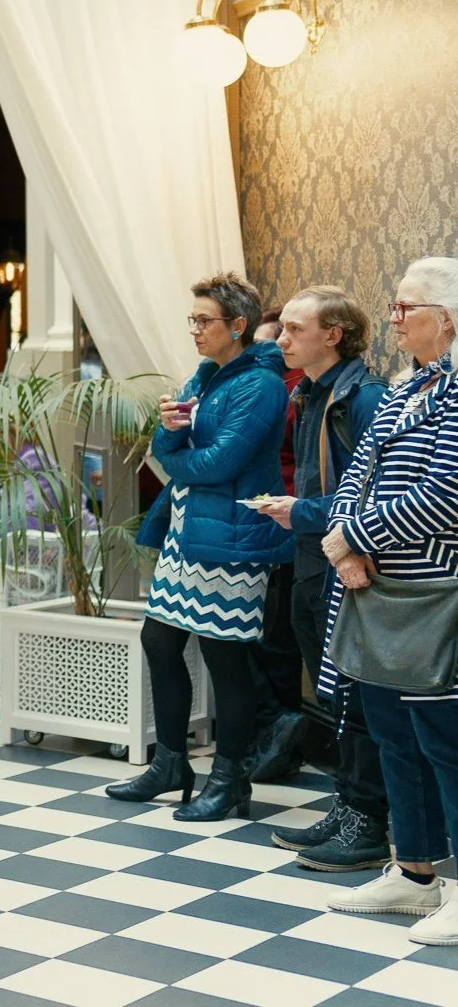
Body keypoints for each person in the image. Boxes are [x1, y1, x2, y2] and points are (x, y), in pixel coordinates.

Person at [107, 272, 293, 821]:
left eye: (204, 321)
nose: (195, 330)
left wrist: (178, 462)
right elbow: (169, 442)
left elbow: (219, 464)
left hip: (232, 539)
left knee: (225, 659)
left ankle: (230, 779)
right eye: (192, 319)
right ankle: (171, 764)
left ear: (238, 326)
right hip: (190, 532)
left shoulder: (261, 385)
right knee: (159, 642)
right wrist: (169, 432)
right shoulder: (207, 375)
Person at [318, 259, 458, 944]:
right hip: (375, 587)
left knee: (445, 744)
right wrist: (341, 541)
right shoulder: (405, 388)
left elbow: (443, 496)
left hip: (436, 589)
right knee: (392, 736)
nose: (393, 320)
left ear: (447, 318)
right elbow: (355, 473)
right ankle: (414, 873)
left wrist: (352, 537)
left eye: (407, 308)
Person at [253, 287, 386, 871]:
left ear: (333, 334)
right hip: (312, 561)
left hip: (345, 565)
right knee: (333, 696)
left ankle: (367, 824)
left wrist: (300, 511)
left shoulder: (363, 398)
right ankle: (348, 805)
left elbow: (377, 492)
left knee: (356, 696)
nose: (281, 339)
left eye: (293, 328)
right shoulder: (310, 394)